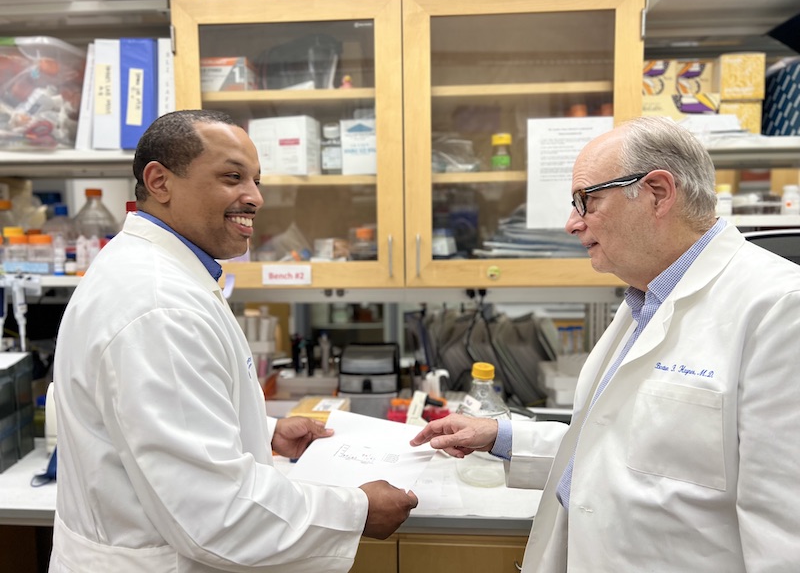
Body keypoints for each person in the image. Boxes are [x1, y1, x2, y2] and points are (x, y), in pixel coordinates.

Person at [411, 116, 800, 572]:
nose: (571, 224)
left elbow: (783, 534)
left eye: (587, 201)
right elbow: (619, 444)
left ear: (657, 192)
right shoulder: (645, 297)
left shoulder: (780, 309)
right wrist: (502, 436)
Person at [50, 110, 417, 572]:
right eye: (232, 177)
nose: (255, 198)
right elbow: (216, 514)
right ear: (160, 182)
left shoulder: (157, 272)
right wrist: (357, 511)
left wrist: (264, 432)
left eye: (257, 181)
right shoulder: (159, 306)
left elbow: (165, 421)